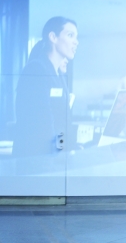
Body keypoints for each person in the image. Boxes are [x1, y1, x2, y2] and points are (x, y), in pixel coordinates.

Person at [12, 17, 77, 157]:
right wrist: (59, 154)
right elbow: (40, 125)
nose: (75, 42)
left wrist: (67, 150)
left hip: (52, 162)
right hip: (35, 163)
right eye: (70, 35)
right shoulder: (36, 69)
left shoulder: (59, 76)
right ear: (53, 37)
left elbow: (62, 124)